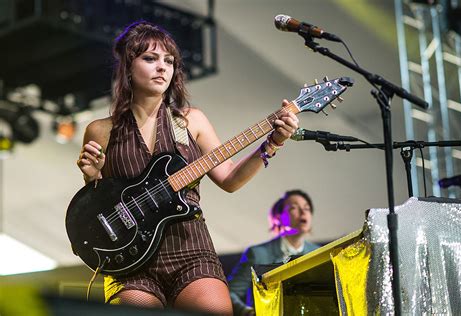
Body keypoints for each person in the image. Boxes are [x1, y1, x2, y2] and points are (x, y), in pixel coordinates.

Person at [75, 20, 299, 315]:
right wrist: (92, 177)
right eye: (150, 58)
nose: (162, 67)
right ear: (128, 66)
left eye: (168, 61)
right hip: (131, 262)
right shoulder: (101, 130)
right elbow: (96, 211)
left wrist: (272, 143)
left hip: (190, 249)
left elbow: (229, 178)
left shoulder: (191, 121)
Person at [228, 190, 319, 315]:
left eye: (307, 208)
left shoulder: (317, 253)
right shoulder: (257, 254)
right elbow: (230, 293)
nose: (303, 212)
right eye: (294, 207)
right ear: (278, 217)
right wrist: (248, 313)